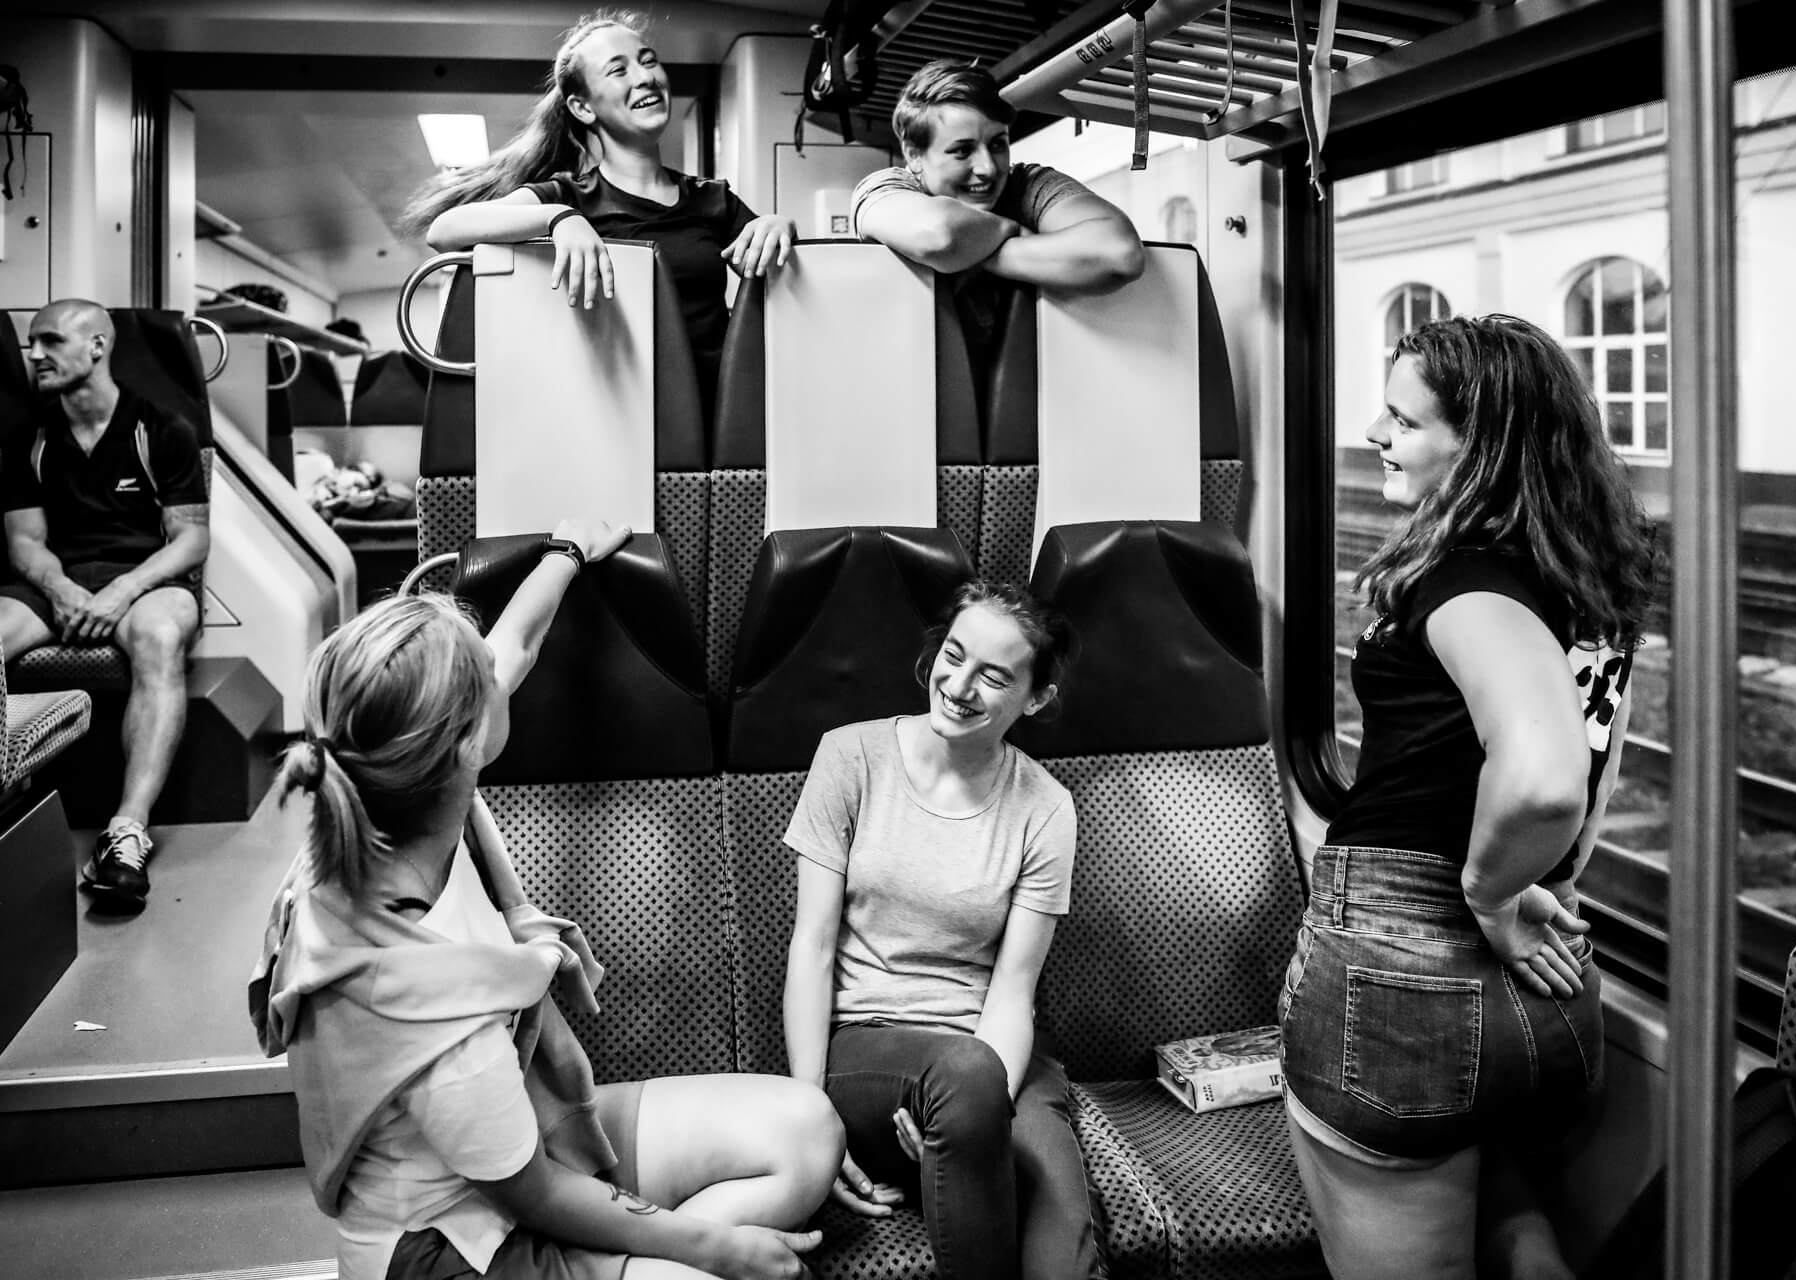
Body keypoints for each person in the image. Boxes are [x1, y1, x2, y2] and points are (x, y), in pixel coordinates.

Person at [251, 520, 842, 1280]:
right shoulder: (420, 1001)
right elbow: (530, 1194)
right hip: (449, 1242)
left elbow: (513, 647)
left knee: (807, 1132)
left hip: (515, 1142)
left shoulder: (389, 794)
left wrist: (566, 552)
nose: (498, 675)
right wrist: (719, 1247)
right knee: (711, 1274)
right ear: (468, 741)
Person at [1277, 315, 1658, 1279]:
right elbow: (1590, 773)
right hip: (1549, 996)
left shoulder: (1468, 587)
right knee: (1521, 1234)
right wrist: (1537, 887)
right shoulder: (1581, 588)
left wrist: (1491, 896)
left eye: (1402, 422)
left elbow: (1540, 777)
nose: (1373, 431)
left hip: (1408, 987)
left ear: (1478, 447)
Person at [783, 582, 1101, 1280]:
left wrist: (976, 1114)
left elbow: (1014, 992)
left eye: (993, 676)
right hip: (868, 1047)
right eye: (953, 657)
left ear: (1036, 699)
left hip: (994, 1053)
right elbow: (811, 949)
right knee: (960, 1078)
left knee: (1062, 1250)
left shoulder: (1045, 808)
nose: (958, 686)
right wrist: (809, 1118)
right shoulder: (850, 758)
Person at [400, 10, 795, 420]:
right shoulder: (570, 196)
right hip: (615, 422)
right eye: (618, 71)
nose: (645, 77)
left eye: (648, 60)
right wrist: (559, 219)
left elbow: (788, 277)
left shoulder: (714, 200)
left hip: (718, 419)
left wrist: (778, 224)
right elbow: (445, 230)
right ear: (583, 107)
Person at [1, 299, 210, 910]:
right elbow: (25, 542)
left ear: (96, 346)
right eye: (30, 343)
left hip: (141, 579)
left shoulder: (160, 427)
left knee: (161, 636)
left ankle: (126, 830)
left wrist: (121, 590)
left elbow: (191, 539)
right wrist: (63, 590)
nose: (34, 355)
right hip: (53, 581)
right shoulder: (30, 436)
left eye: (49, 341)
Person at [850, 59, 1146, 385]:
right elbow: (938, 236)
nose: (988, 168)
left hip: (1033, 401)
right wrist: (1011, 229)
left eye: (997, 145)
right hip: (911, 395)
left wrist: (980, 249)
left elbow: (1118, 253)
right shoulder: (886, 187)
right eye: (962, 151)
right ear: (914, 154)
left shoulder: (1028, 183)